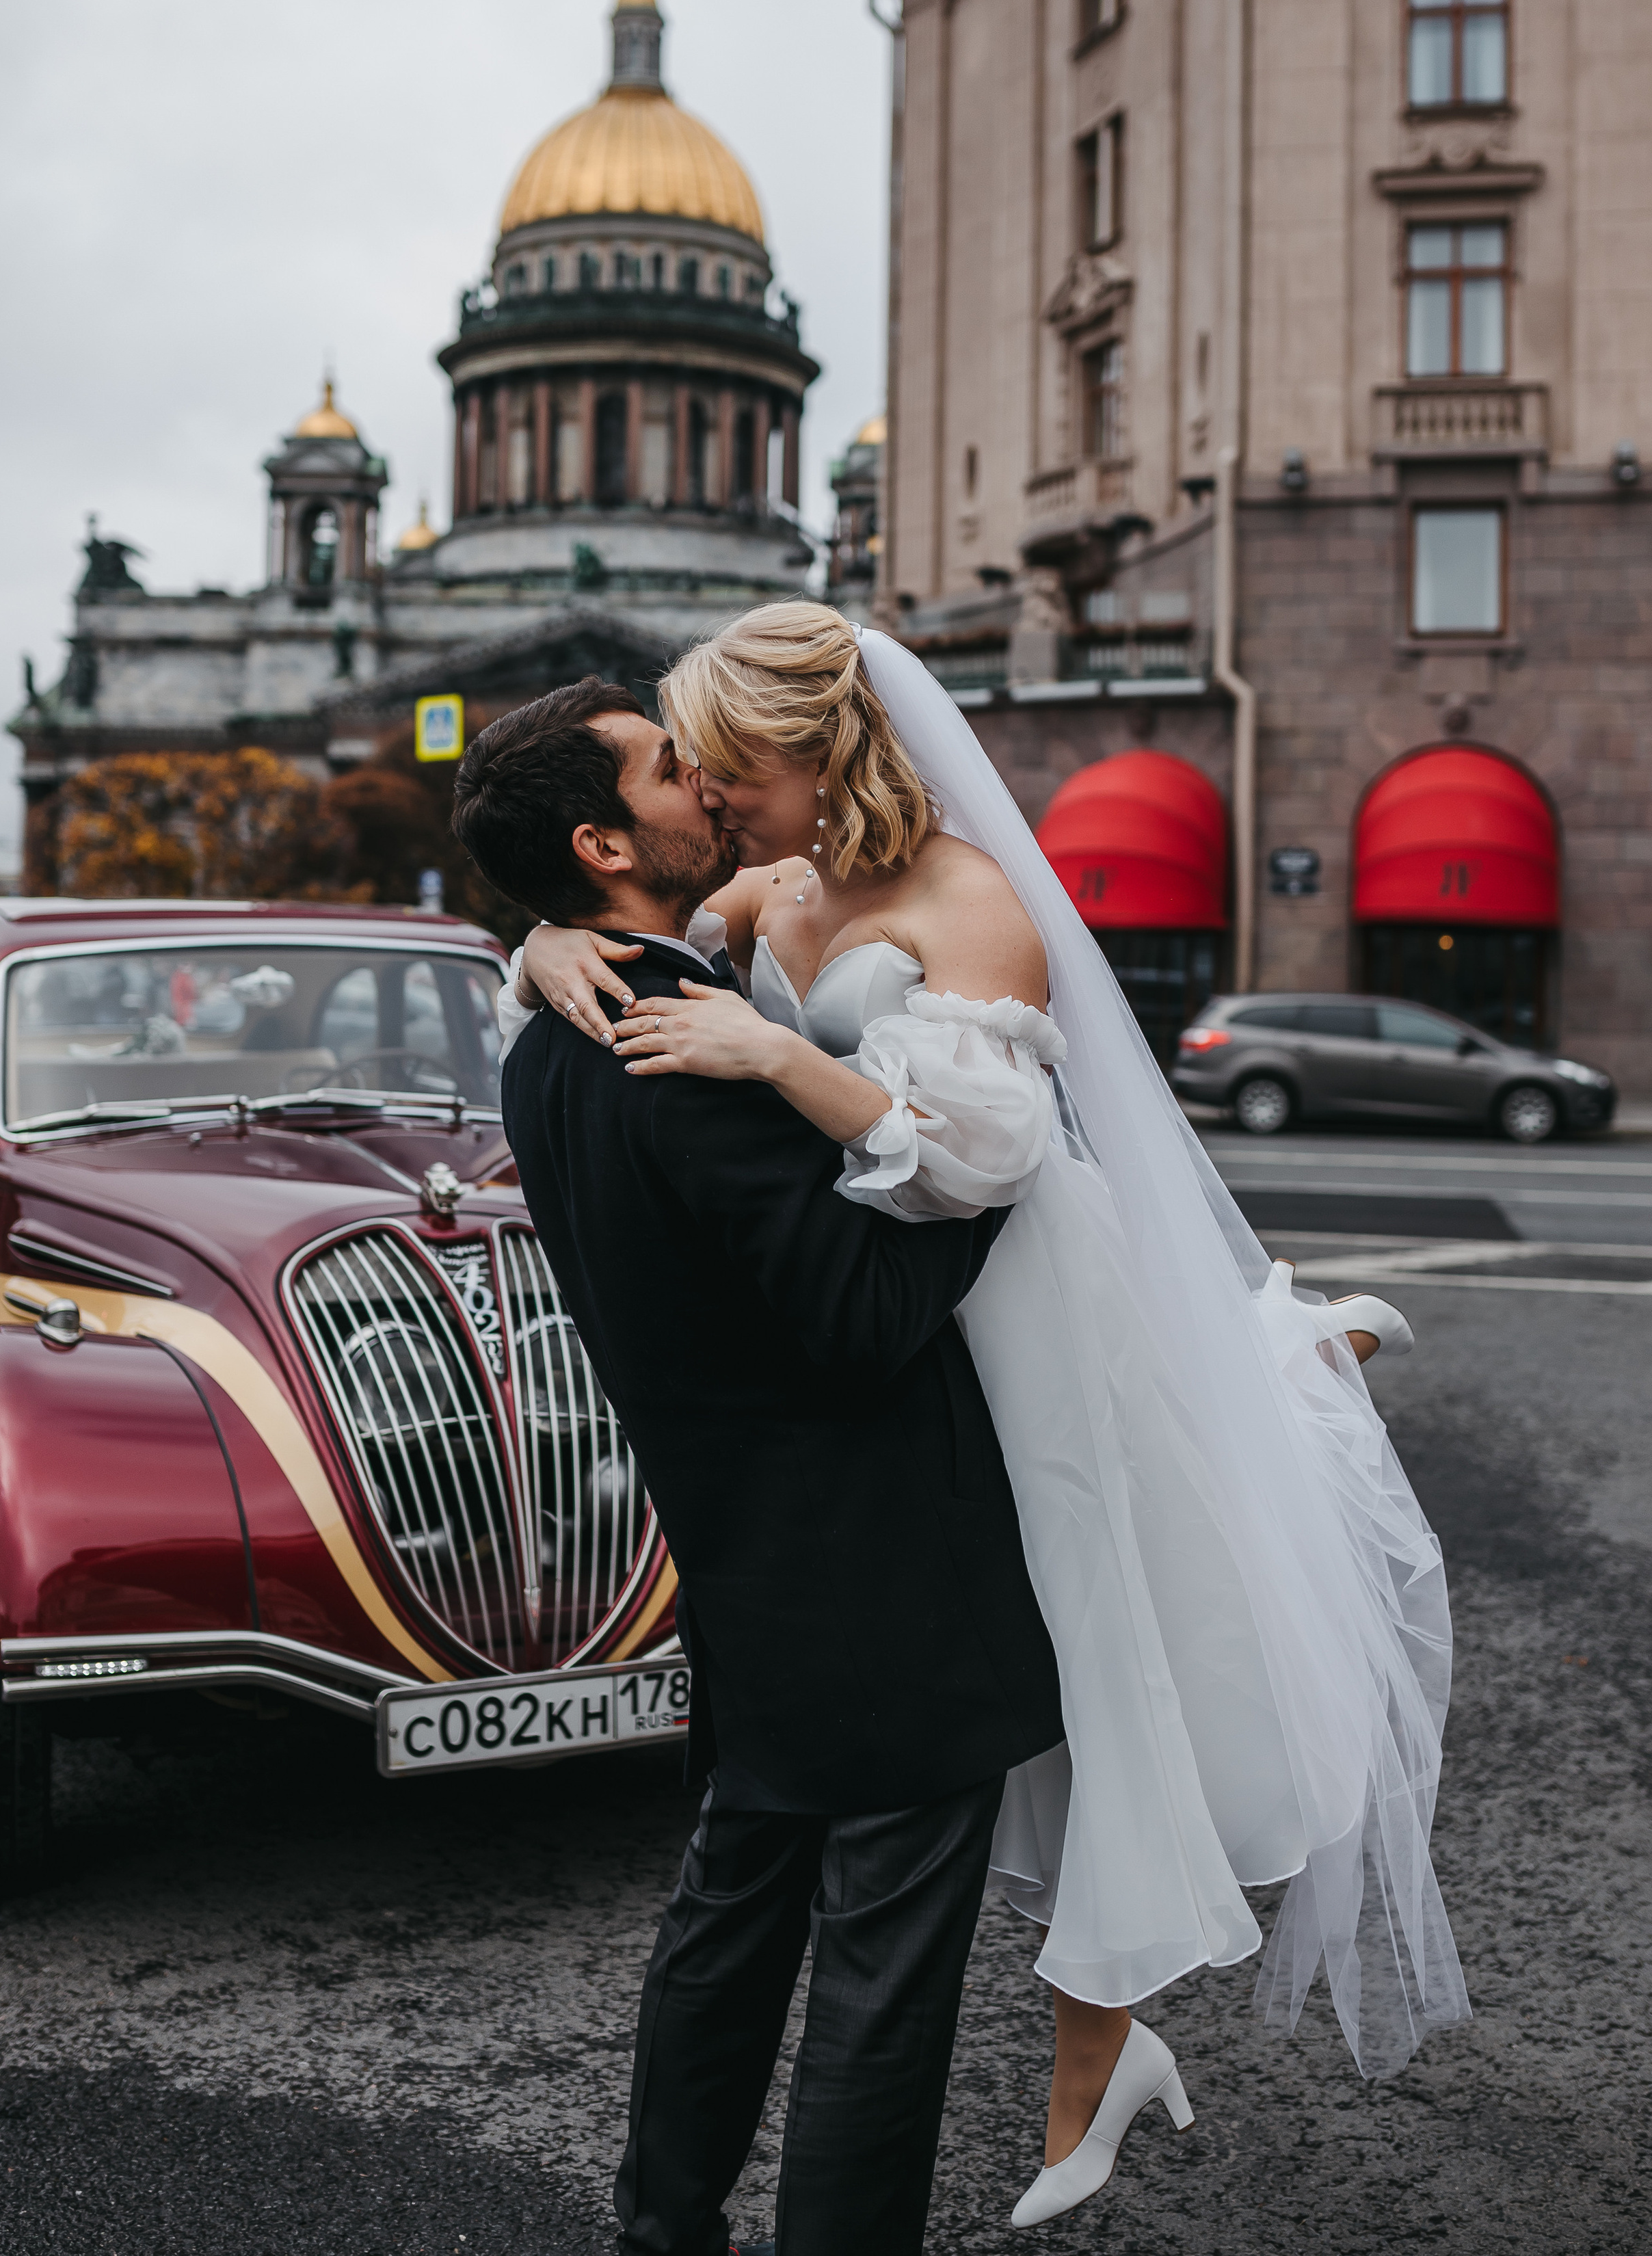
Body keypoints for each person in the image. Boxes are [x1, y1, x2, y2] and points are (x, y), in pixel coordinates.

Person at [505, 606, 1470, 2229]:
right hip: (898, 1344)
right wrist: (539, 945)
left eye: (730, 766)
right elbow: (617, 926)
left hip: (998, 1279)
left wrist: (765, 1047)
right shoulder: (767, 884)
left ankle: (1095, 2046)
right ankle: (1097, 2051)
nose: (717, 798)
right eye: (695, 774)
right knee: (1086, 1658)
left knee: (1126, 1632)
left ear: (822, 750)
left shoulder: (972, 902)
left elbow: (977, 1161)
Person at [449, 677, 1067, 2256]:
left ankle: (663, 2228)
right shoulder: (698, 1062)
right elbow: (868, 1314)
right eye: (668, 768)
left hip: (732, 1565)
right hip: (886, 1582)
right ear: (602, 842)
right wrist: (983, 1159)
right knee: (878, 1974)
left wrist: (537, 938)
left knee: (726, 1923)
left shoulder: (553, 1037)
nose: (705, 778)